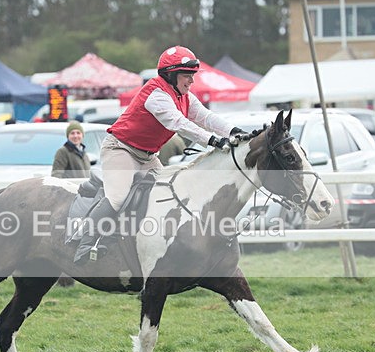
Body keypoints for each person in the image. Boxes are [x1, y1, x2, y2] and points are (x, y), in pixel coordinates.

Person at [73, 45, 246, 264]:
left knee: (167, 194)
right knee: (117, 198)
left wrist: (233, 131)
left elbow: (206, 117)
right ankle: (85, 241)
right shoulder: (156, 95)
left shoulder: (184, 96)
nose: (191, 81)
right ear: (171, 75)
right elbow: (179, 123)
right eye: (186, 76)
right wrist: (212, 140)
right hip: (121, 149)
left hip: (147, 156)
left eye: (192, 76)